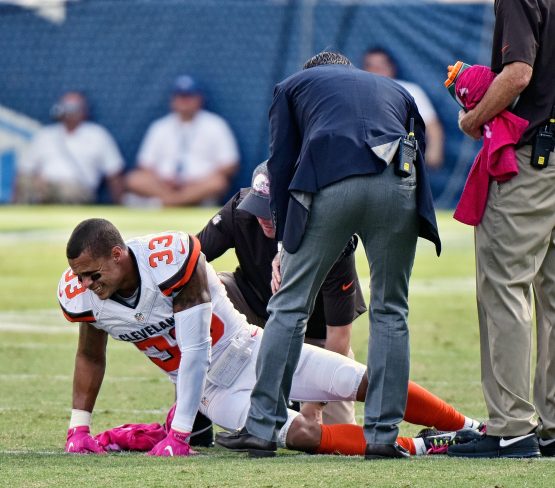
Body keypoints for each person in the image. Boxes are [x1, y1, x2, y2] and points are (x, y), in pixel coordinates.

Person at [58, 218, 478, 458]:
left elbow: (197, 349)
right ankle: (426, 447)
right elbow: (89, 357)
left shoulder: (167, 260)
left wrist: (180, 435)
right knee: (303, 436)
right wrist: (80, 428)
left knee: (366, 381)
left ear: (118, 254)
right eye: (80, 276)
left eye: (93, 274)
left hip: (252, 350)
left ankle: (473, 428)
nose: (87, 284)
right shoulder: (87, 296)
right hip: (215, 393)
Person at [216, 52, 440, 460]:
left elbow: (281, 164)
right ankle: (383, 436)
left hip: (331, 183)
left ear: (311, 75)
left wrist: (283, 246)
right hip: (398, 183)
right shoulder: (395, 88)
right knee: (391, 311)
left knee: (289, 307)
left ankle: (263, 427)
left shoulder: (293, 88)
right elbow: (417, 147)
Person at [448, 0, 555, 459]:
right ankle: (550, 426)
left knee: (504, 285)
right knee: (552, 297)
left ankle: (512, 426)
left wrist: (474, 119)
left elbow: (517, 74)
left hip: (534, 161)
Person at [197, 160, 367, 426]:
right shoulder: (240, 211)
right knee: (202, 288)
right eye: (258, 208)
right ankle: (197, 416)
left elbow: (338, 337)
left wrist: (314, 406)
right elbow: (190, 258)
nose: (263, 217)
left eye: (272, 210)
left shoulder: (333, 238)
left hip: (316, 336)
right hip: (252, 313)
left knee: (337, 434)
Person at [125, 75, 239, 207]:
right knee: (134, 179)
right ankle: (180, 202)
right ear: (173, 100)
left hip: (198, 185)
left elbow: (230, 164)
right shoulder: (160, 126)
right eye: (180, 97)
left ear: (199, 99)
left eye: (188, 97)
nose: (184, 101)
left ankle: (169, 203)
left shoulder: (215, 124)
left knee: (218, 182)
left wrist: (195, 180)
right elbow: (145, 164)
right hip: (163, 184)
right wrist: (164, 181)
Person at [15, 92, 124, 204]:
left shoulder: (97, 134)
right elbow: (24, 170)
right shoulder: (45, 134)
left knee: (66, 191)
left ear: (84, 110)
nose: (69, 111)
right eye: (65, 106)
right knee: (25, 182)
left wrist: (120, 205)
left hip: (79, 190)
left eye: (73, 107)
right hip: (44, 187)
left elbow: (114, 173)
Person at [363, 47, 444, 169]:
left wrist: (432, 156)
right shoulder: (358, 93)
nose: (376, 70)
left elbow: (433, 127)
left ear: (391, 67)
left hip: (401, 164)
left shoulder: (409, 91)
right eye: (371, 66)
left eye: (381, 65)